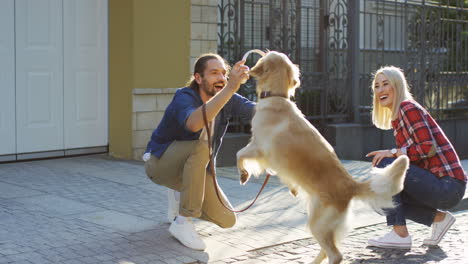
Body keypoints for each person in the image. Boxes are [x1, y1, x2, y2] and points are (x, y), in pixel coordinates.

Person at [144, 53, 255, 251]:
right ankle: (182, 222)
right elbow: (194, 124)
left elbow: (257, 111)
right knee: (202, 146)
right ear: (198, 78)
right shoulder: (184, 96)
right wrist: (230, 86)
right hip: (160, 164)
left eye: (224, 73)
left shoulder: (227, 97)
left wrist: (280, 96)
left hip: (195, 167)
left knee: (227, 220)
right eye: (214, 73)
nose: (221, 78)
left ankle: (181, 194)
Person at [366, 66, 467, 249]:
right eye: (377, 86)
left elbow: (428, 148)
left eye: (385, 84)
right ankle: (439, 219)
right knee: (379, 195)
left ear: (397, 85)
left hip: (448, 185)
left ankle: (399, 234)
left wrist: (393, 153)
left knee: (388, 165)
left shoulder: (407, 107)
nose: (380, 90)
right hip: (439, 185)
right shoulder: (397, 119)